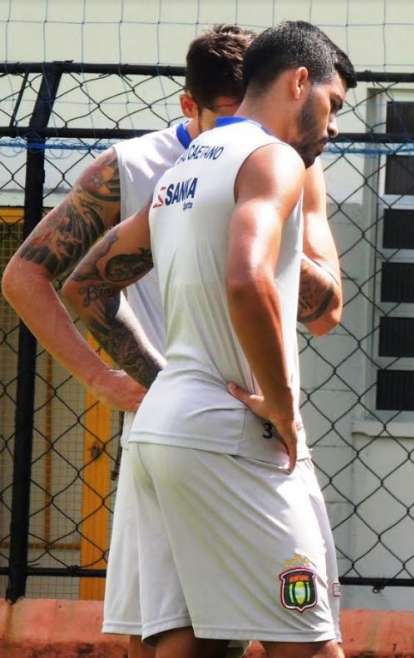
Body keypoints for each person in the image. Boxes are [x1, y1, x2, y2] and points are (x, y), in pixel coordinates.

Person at [61, 20, 355, 658]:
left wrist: (159, 376)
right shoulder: (272, 158)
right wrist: (280, 404)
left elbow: (83, 286)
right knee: (309, 644)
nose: (334, 125)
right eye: (333, 104)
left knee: (185, 645)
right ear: (299, 81)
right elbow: (248, 280)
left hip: (161, 434)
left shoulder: (183, 168)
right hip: (234, 435)